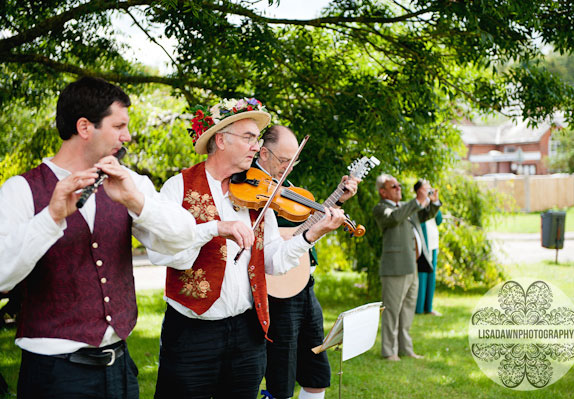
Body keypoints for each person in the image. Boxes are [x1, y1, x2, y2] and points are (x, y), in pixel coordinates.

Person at [0, 76, 197, 399]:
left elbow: (184, 239)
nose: (128, 136)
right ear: (84, 127)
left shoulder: (128, 181)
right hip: (53, 374)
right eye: (119, 125)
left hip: (120, 369)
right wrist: (50, 218)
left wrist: (137, 201)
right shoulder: (21, 190)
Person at [147, 99, 347, 399]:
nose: (256, 146)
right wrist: (214, 229)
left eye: (257, 138)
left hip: (247, 333)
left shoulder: (260, 193)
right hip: (191, 333)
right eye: (249, 137)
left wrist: (312, 234)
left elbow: (274, 263)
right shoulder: (178, 187)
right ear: (221, 139)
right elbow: (164, 253)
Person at [254, 125, 360, 399]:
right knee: (281, 376)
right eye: (284, 161)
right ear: (263, 153)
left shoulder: (289, 191)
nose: (289, 168)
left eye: (294, 161)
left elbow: (302, 236)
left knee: (317, 371)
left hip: (304, 285)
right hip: (277, 291)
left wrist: (337, 198)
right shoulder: (250, 188)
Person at [372, 174, 441, 361]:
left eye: (399, 185)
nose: (399, 188)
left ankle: (405, 349)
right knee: (392, 312)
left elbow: (426, 214)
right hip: (394, 269)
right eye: (394, 186)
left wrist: (433, 202)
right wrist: (417, 201)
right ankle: (389, 352)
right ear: (383, 191)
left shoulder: (405, 207)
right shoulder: (381, 209)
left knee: (407, 311)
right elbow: (394, 219)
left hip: (412, 266)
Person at [415, 182, 443, 316]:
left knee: (431, 275)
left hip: (433, 242)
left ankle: (429, 307)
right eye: (426, 188)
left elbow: (439, 220)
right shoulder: (416, 204)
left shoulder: (433, 203)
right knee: (422, 274)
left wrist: (435, 201)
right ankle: (419, 308)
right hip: (422, 242)